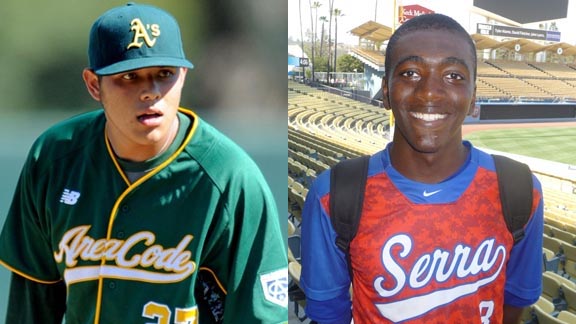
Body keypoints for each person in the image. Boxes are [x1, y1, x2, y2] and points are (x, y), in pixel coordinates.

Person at [0, 3, 287, 323]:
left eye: (164, 74)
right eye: (129, 76)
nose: (150, 92)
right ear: (94, 84)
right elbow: (30, 307)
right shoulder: (54, 159)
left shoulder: (229, 177)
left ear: (183, 77)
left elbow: (260, 315)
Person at [300, 13, 543, 324]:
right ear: (386, 92)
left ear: (473, 99)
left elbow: (515, 302)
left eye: (453, 75)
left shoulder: (520, 190)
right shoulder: (333, 195)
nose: (430, 92)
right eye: (410, 72)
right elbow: (327, 313)